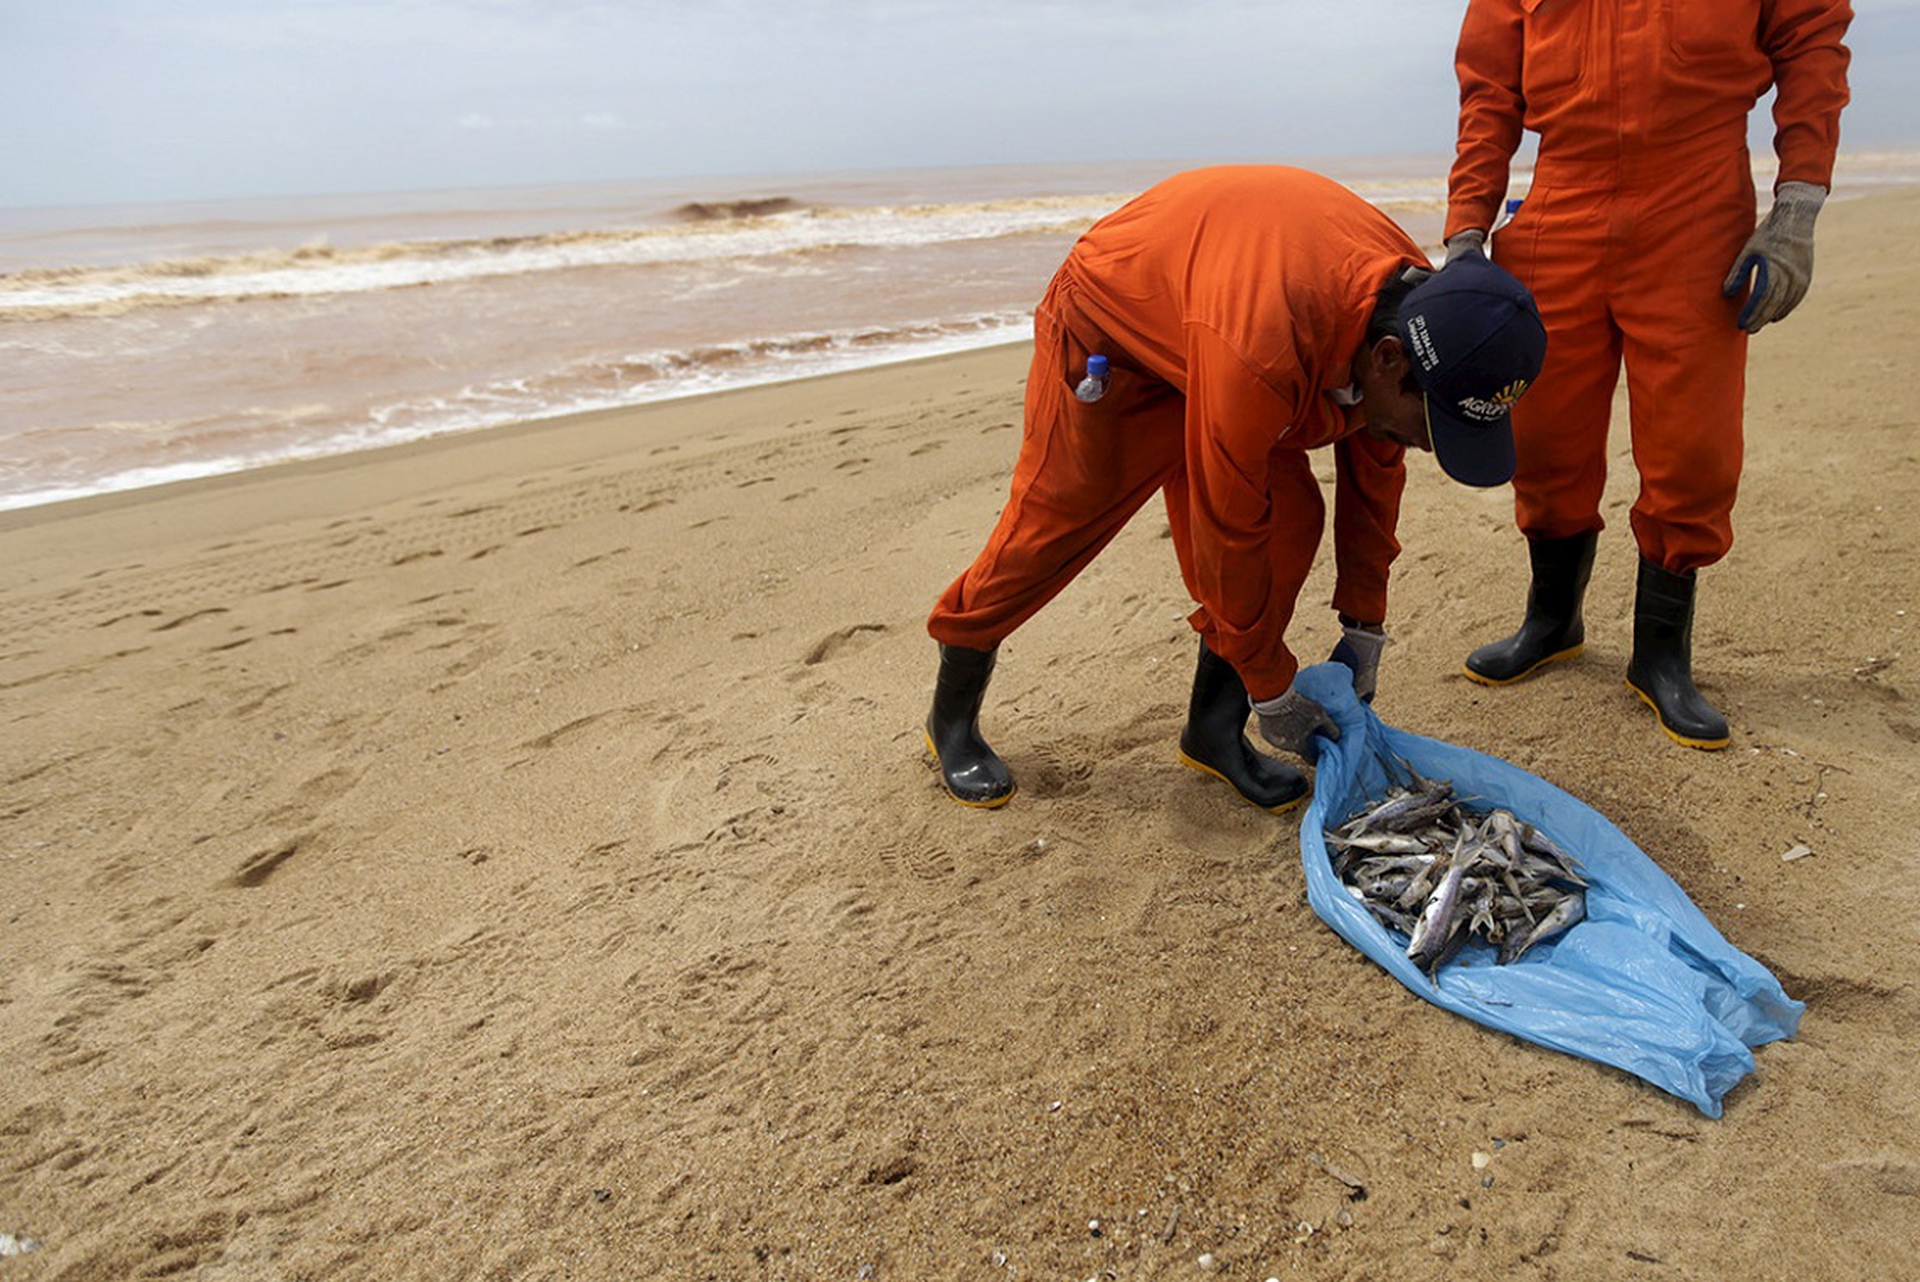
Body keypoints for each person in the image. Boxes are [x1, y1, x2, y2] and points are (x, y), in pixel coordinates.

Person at [922, 165, 1547, 811]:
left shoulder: (1426, 315)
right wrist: (1272, 686)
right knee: (1054, 523)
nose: (1428, 445)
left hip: (1221, 315)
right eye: (1432, 426)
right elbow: (1228, 519)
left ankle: (1212, 732)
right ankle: (953, 711)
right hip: (1117, 330)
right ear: (1388, 360)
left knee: (1289, 522)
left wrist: (1366, 624)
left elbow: (1377, 469)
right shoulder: (1267, 348)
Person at [1444, 0, 1853, 749]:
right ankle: (1552, 620)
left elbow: (1812, 42)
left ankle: (1660, 656)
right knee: (1542, 436)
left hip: (1697, 201)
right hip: (1561, 201)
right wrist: (1467, 227)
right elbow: (1489, 91)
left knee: (1693, 445)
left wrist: (1797, 204)